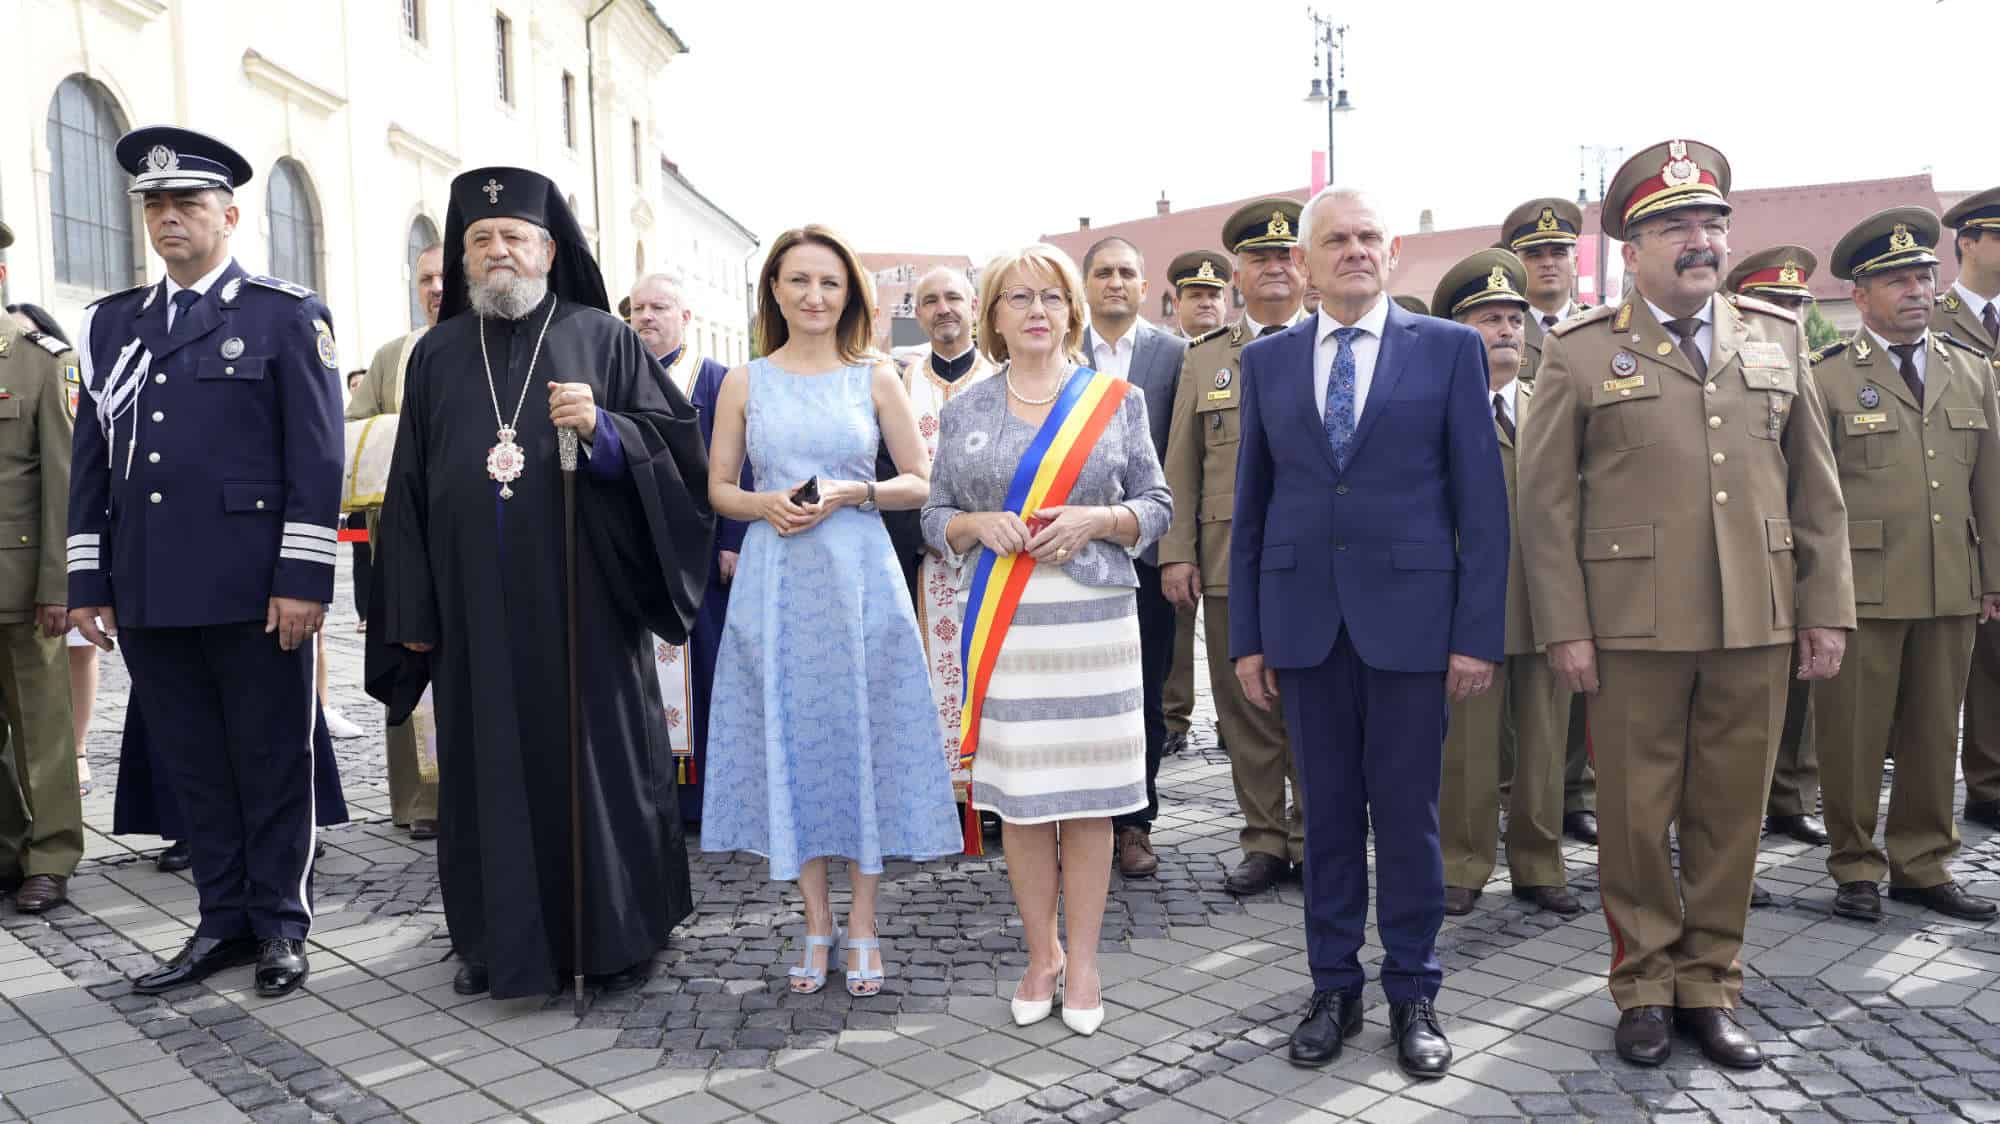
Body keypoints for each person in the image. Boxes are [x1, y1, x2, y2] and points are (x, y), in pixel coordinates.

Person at [1520, 139, 1854, 1070]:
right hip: (1631, 628)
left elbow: (1815, 492)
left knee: (1731, 811)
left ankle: (1710, 982)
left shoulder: (1778, 337)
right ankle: (1643, 985)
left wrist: (1825, 611)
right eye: (1674, 225)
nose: (1699, 239)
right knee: (1633, 814)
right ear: (1632, 250)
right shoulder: (1582, 351)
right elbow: (1545, 507)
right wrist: (1566, 629)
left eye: (1711, 223)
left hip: (1758, 617)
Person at [373, 166, 714, 1000]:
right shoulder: (437, 354)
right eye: (480, 241)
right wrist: (412, 609)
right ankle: (495, 942)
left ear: (548, 250)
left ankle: (615, 934)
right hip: (472, 612)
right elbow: (409, 489)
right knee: (484, 767)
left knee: (596, 762)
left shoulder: (603, 337)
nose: (498, 253)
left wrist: (606, 434)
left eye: (514, 238)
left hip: (583, 607)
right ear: (463, 259)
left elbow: (677, 458)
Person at [1232, 186, 1507, 1078]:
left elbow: (1482, 505)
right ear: (1304, 263)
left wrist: (1475, 635)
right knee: (1328, 819)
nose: (1353, 251)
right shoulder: (1268, 362)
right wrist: (1248, 637)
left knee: (1409, 818)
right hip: (1306, 626)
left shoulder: (1450, 350)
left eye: (1369, 239)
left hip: (1413, 628)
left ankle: (1415, 989)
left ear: (1392, 257)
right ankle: (1332, 987)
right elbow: (1253, 506)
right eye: (1335, 240)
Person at [69, 127, 343, 998]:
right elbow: (92, 464)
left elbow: (317, 460)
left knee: (270, 763)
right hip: (151, 588)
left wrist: (302, 580)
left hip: (254, 587)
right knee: (193, 770)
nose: (168, 218)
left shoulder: (283, 314)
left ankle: (281, 929)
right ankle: (220, 921)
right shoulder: (115, 325)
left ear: (229, 214)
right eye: (155, 205)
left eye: (186, 203)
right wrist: (87, 582)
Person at [700, 225, 959, 1000]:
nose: (814, 297)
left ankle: (867, 922)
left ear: (850, 295)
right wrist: (762, 503)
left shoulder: (874, 376)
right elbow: (718, 489)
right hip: (777, 576)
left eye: (830, 284)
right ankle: (816, 920)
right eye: (799, 281)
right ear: (774, 290)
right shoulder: (745, 382)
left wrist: (855, 491)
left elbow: (922, 481)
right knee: (795, 737)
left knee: (862, 738)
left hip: (858, 577)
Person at [924, 243, 1170, 1036]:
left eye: (1052, 297)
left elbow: (1157, 503)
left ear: (1072, 310)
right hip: (1007, 623)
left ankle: (1088, 959)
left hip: (1094, 626)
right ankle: (1042, 955)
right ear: (992, 315)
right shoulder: (964, 409)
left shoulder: (1118, 398)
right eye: (1018, 298)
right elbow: (932, 516)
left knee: (1091, 805)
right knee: (1024, 807)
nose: (1037, 310)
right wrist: (970, 523)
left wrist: (1100, 519)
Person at [1807, 207, 2000, 924]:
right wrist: (1814, 596)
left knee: (1932, 735)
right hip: (1861, 589)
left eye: (1923, 275)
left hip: (1951, 581)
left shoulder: (1972, 371)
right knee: (1852, 737)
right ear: (1860, 297)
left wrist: (1994, 577)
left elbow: (1991, 481)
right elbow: (1810, 497)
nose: (1917, 289)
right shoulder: (1825, 377)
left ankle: (1922, 865)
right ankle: (1855, 864)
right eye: (1896, 280)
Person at [1160, 198, 1308, 897]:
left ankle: (1315, 836)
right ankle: (1264, 838)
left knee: (1313, 706)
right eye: (1260, 258)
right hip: (1226, 562)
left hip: (1317, 562)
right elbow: (1181, 462)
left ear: (1304, 265)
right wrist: (1177, 552)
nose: (1275, 268)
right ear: (1238, 275)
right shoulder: (1207, 358)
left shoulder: (1337, 347)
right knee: (1245, 710)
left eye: (1285, 255)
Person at [1428, 249, 1579, 920]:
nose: (1509, 332)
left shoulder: (1550, 398)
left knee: (1545, 740)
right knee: (1467, 744)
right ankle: (1462, 862)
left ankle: (1539, 863)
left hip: (1547, 599)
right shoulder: (1435, 406)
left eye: (1515, 319)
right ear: (1460, 331)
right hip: (1466, 604)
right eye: (1490, 320)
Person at [1080, 237, 1189, 879]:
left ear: (1146, 286)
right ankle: (1079, 820)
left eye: (1126, 272)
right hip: (1071, 555)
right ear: (1086, 285)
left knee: (1143, 694)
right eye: (1103, 273)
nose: (1115, 282)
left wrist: (1175, 553)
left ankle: (1135, 824)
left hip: (1147, 559)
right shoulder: (1060, 356)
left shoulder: (1175, 356)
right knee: (1081, 691)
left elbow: (1183, 462)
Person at [1723, 246, 1831, 876]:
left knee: (1802, 701)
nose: (1787, 312)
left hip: (1787, 556)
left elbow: (1817, 484)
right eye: (1774, 301)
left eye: (1796, 303)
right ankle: (1735, 836)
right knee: (1734, 730)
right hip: (1729, 564)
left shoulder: (1797, 356)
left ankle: (1792, 796)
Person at [628, 270, 748, 825]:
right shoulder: (617, 375)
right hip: (639, 552)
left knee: (710, 671)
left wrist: (733, 538)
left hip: (703, 554)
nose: (646, 317)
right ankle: (650, 793)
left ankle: (708, 797)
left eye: (659, 307)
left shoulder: (718, 381)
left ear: (685, 317)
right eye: (637, 309)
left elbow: (743, 463)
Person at [1499, 196, 1597, 845]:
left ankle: (1572, 794)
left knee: (1576, 678)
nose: (1549, 262)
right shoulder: (1497, 326)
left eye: (1558, 250)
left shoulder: (1599, 334)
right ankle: (1514, 798)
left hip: (1586, 529)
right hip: (1511, 527)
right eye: (1535, 253)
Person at [892, 267, 998, 826]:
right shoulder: (899, 381)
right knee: (922, 676)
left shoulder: (1003, 379)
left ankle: (995, 795)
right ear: (919, 312)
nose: (943, 309)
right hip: (919, 560)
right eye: (930, 301)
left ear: (975, 305)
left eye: (953, 297)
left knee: (989, 668)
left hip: (990, 557)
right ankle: (934, 800)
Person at [0, 228, 83, 915]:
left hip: (23, 584)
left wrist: (59, 586)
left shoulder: (38, 361)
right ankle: (6, 849)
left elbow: (62, 483)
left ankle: (51, 856)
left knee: (43, 732)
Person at [350, 242, 445, 839]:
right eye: (425, 278)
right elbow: (354, 432)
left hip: (476, 541)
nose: (435, 287)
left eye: (444, 276)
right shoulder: (393, 356)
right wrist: (408, 436)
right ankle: (423, 801)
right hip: (405, 542)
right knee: (411, 659)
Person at [1941, 186, 2000, 832]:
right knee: (1976, 662)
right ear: (1968, 242)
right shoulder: (1931, 322)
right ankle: (1983, 783)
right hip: (1959, 520)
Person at [1159, 252, 1232, 758]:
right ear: (1177, 303)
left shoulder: (1237, 353)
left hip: (1225, 512)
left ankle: (1235, 718)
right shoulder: (1167, 355)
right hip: (1177, 504)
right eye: (1195, 295)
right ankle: (1174, 715)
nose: (1206, 303)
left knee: (1232, 630)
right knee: (1179, 621)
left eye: (1214, 295)